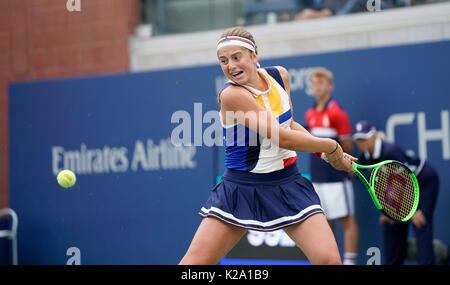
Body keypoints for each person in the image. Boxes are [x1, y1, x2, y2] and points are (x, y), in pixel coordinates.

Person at [179, 26, 357, 265]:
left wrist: (324, 153)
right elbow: (280, 137)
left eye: (236, 57)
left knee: (329, 261)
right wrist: (330, 146)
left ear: (254, 56)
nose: (230, 66)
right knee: (194, 267)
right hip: (241, 189)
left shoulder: (280, 76)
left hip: (288, 184)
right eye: (223, 60)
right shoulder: (231, 96)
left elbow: (290, 124)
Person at [353, 120, 440, 265]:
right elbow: (384, 187)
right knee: (391, 226)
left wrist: (413, 211)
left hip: (423, 184)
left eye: (364, 138)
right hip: (400, 194)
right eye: (358, 140)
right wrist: (390, 212)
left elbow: (406, 181)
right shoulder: (363, 158)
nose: (361, 143)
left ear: (374, 137)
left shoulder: (391, 151)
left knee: (420, 224)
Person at [304, 67, 360, 265]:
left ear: (330, 86)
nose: (317, 87)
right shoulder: (310, 113)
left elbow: (346, 147)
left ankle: (350, 262)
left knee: (346, 220)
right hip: (318, 179)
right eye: (314, 83)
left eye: (321, 83)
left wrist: (345, 169)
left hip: (337, 178)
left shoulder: (338, 113)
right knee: (325, 224)